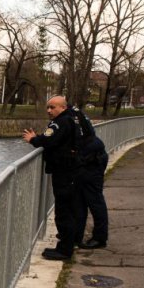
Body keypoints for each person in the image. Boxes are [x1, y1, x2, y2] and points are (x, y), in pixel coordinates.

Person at [22, 95, 82, 260]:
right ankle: (65, 245)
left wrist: (33, 139)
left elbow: (49, 139)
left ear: (62, 108)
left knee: (64, 211)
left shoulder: (61, 122)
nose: (49, 110)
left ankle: (64, 250)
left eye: (52, 107)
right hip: (69, 170)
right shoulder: (70, 119)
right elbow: (54, 139)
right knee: (68, 209)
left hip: (64, 171)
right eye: (47, 107)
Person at [72, 107, 109, 248]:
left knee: (95, 201)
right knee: (80, 200)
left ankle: (100, 238)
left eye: (51, 107)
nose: (49, 111)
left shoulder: (70, 117)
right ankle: (76, 236)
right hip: (91, 156)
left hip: (91, 160)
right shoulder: (76, 112)